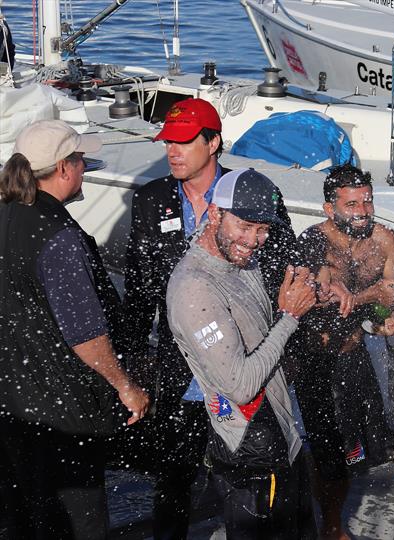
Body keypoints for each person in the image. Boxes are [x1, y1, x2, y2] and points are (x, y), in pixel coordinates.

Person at [117, 97, 295, 538]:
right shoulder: (151, 199)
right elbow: (140, 287)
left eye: (183, 142)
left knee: (248, 478)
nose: (172, 152)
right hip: (183, 369)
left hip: (244, 361)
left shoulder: (253, 191)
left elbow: (287, 260)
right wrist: (133, 359)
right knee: (174, 478)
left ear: (213, 142)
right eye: (167, 143)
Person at [0, 120, 149, 538]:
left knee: (19, 516)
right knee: (80, 523)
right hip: (62, 413)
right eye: (81, 160)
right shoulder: (58, 235)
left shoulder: (6, 214)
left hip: (10, 404)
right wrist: (125, 385)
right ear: (64, 169)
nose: (84, 169)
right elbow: (85, 335)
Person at [166, 168, 317, 538]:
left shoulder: (241, 260)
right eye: (245, 226)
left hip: (280, 439)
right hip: (250, 452)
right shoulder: (194, 288)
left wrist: (306, 296)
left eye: (262, 229)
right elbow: (240, 385)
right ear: (215, 213)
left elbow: (260, 332)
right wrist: (290, 317)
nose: (254, 240)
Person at [290, 164, 394, 540]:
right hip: (313, 358)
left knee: (357, 447)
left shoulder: (386, 241)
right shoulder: (313, 240)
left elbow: (392, 294)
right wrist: (350, 294)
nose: (362, 210)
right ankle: (324, 522)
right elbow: (317, 288)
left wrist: (390, 315)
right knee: (322, 446)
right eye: (352, 203)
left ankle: (332, 519)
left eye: (367, 201)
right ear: (329, 208)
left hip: (354, 355)